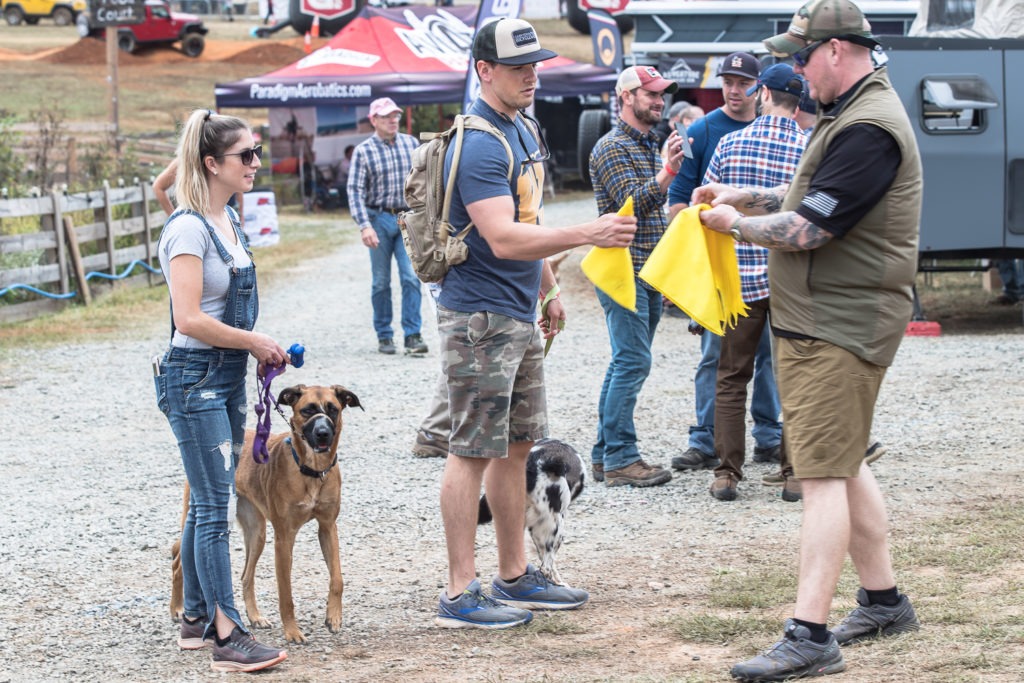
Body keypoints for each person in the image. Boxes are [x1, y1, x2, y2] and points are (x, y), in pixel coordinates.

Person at [695, 0, 922, 677]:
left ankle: (809, 632)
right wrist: (743, 193)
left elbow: (812, 229)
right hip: (826, 318)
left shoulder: (868, 129)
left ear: (835, 52)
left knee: (820, 474)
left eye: (800, 56)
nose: (791, 71)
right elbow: (806, 195)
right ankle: (884, 600)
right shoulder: (850, 116)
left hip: (839, 324)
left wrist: (736, 223)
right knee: (845, 460)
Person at [434, 17, 638, 630]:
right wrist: (590, 232)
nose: (532, 75)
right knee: (471, 450)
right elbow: (499, 235)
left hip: (515, 311)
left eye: (536, 64)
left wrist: (548, 288)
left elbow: (528, 212)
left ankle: (515, 576)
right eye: (519, 67)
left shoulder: (518, 127)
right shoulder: (478, 142)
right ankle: (459, 592)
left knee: (516, 446)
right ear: (484, 70)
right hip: (479, 318)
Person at [154, 109, 289, 673]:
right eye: (246, 156)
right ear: (213, 164)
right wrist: (254, 340)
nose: (257, 163)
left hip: (227, 378)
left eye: (256, 153)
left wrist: (253, 351)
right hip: (194, 380)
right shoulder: (187, 228)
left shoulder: (229, 218)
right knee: (213, 508)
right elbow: (187, 318)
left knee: (207, 500)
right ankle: (226, 633)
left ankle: (192, 618)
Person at [666, 52, 784, 474]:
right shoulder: (704, 131)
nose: (733, 90)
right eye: (727, 82)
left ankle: (769, 437)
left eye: (742, 82)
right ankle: (704, 440)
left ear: (759, 88)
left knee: (771, 357)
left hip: (774, 266)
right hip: (723, 266)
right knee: (715, 356)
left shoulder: (773, 131)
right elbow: (679, 201)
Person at [701, 63, 808, 502]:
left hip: (738, 279)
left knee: (730, 377)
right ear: (798, 102)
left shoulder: (730, 142)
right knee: (794, 376)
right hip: (791, 278)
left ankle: (727, 472)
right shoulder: (810, 146)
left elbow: (705, 208)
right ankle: (793, 473)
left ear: (762, 93)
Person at [587, 65, 686, 489]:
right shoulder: (611, 147)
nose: (659, 101)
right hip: (623, 269)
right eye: (651, 94)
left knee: (625, 360)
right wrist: (667, 174)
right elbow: (633, 204)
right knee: (633, 360)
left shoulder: (647, 144)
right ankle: (622, 458)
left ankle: (603, 454)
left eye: (661, 94)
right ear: (626, 96)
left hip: (644, 267)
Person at [346, 97, 428, 356]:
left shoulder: (410, 144)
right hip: (378, 218)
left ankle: (413, 335)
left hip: (407, 218)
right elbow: (355, 191)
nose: (392, 120)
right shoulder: (364, 151)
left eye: (395, 116)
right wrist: (364, 226)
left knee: (410, 278)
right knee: (381, 282)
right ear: (374, 120)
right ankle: (384, 336)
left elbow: (422, 181)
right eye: (386, 117)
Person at [154, 158, 245, 228]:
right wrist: (173, 217)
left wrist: (240, 214)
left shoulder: (224, 154)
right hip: (200, 219)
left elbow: (238, 187)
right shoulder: (184, 160)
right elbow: (158, 187)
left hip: (229, 215)